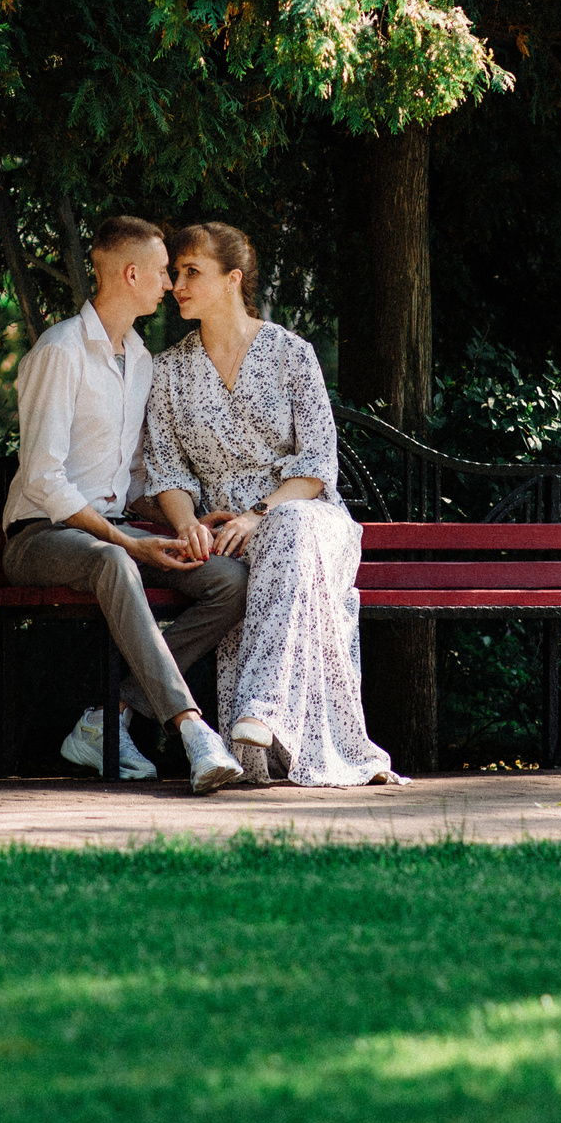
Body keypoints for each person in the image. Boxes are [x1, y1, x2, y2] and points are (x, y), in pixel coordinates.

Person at [142, 221, 403, 787]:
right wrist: (187, 525)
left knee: (287, 526)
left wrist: (256, 514)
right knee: (264, 549)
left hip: (307, 517)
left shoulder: (292, 354)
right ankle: (257, 731)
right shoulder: (167, 371)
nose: (177, 284)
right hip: (226, 536)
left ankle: (260, 709)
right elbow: (167, 469)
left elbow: (316, 466)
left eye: (192, 272)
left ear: (233, 280)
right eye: (176, 273)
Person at [2, 214, 250, 793]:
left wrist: (181, 521)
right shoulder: (60, 351)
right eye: (164, 272)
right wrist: (124, 541)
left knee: (230, 582)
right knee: (113, 561)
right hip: (41, 537)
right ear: (131, 273)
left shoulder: (140, 361)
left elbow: (133, 480)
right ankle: (191, 730)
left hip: (113, 533)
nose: (169, 285)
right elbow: (43, 479)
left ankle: (108, 718)